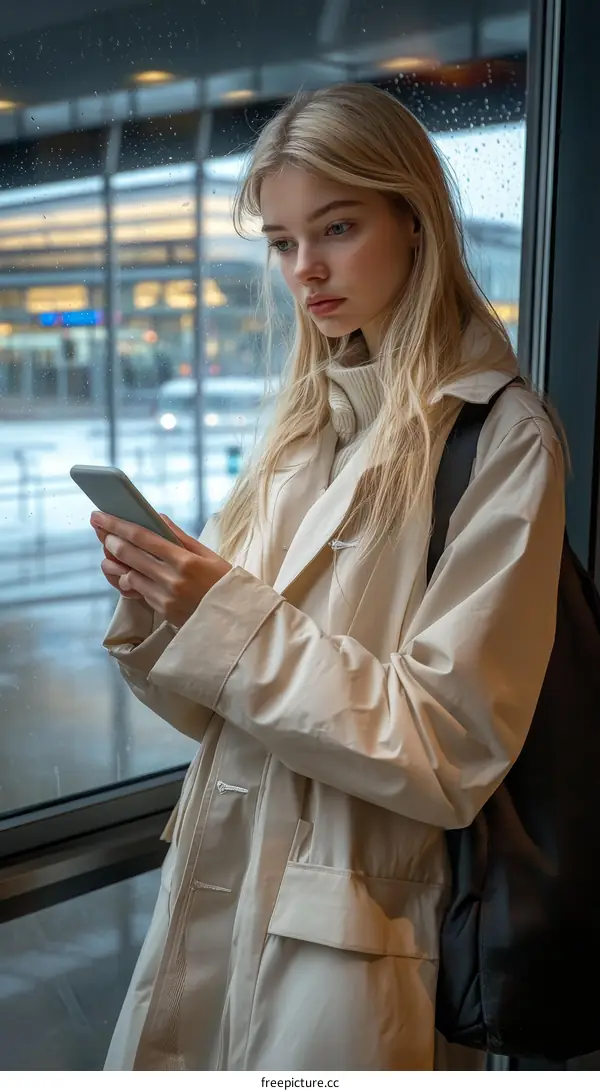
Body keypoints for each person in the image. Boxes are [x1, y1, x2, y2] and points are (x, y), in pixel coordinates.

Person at [92, 83, 565, 1071]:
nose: (306, 269)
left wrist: (219, 614)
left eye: (337, 227)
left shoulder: (501, 437)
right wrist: (160, 607)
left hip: (356, 934)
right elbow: (228, 707)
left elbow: (444, 747)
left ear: (415, 218)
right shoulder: (305, 429)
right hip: (217, 894)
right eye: (280, 241)